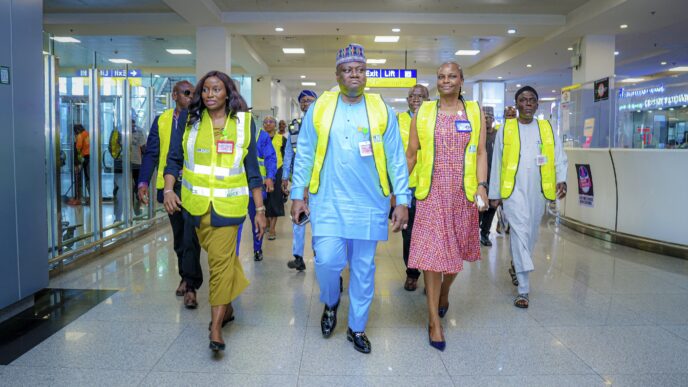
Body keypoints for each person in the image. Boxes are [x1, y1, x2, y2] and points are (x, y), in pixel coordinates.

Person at [290, 43, 410, 354]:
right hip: (327, 200)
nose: (353, 74)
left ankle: (357, 327)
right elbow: (303, 152)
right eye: (347, 69)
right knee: (328, 261)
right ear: (337, 74)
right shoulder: (322, 106)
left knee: (363, 268)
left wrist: (402, 200)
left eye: (359, 69)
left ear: (365, 74)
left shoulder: (380, 108)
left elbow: (397, 157)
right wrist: (296, 194)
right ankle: (330, 302)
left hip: (370, 202)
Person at [163, 71, 267, 352]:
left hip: (229, 207)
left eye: (216, 89)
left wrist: (259, 209)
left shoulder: (245, 123)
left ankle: (216, 327)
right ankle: (228, 308)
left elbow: (252, 171)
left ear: (228, 93)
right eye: (206, 90)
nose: (210, 95)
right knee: (223, 262)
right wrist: (169, 189)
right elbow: (174, 158)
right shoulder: (190, 120)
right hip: (195, 207)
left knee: (220, 264)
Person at [406, 61, 488, 351]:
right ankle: (433, 322)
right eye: (441, 77)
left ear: (462, 80)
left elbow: (480, 153)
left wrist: (481, 185)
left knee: (454, 259)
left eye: (452, 76)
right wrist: (400, 193)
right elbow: (412, 153)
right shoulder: (424, 111)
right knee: (432, 258)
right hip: (431, 194)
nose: (446, 80)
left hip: (462, 194)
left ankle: (444, 293)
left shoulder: (474, 112)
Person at [488, 86, 568, 309]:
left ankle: (517, 265)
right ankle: (523, 289)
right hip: (513, 191)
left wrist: (561, 179)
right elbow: (497, 162)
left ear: (537, 104)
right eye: (523, 100)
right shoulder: (507, 129)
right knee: (520, 233)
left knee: (530, 234)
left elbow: (559, 157)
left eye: (532, 100)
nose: (528, 103)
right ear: (516, 104)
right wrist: (495, 193)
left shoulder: (547, 127)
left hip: (538, 191)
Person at [137, 80, 202, 308]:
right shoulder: (162, 120)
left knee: (189, 236)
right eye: (186, 93)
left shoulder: (198, 120)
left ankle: (191, 285)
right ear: (174, 95)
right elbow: (152, 153)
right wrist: (143, 181)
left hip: (192, 185)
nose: (191, 97)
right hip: (169, 186)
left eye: (194, 94)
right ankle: (185, 275)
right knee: (179, 235)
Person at [396, 84, 429, 291]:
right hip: (406, 185)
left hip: (430, 184)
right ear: (407, 99)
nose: (415, 99)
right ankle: (412, 273)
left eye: (421, 96)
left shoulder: (435, 118)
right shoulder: (398, 120)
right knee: (408, 233)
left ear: (428, 99)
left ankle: (431, 276)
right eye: (412, 96)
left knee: (431, 233)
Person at [283, 90, 317, 271]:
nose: (306, 104)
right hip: (299, 181)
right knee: (298, 218)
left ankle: (319, 255)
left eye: (309, 100)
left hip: (319, 182)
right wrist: (284, 177)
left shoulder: (323, 125)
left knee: (319, 220)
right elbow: (288, 153)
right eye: (302, 101)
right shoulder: (294, 126)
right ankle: (298, 257)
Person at [236, 117, 277, 261]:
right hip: (236, 187)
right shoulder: (231, 133)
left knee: (257, 219)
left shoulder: (261, 136)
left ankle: (257, 249)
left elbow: (270, 158)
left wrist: (270, 177)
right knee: (235, 224)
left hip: (256, 188)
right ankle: (233, 254)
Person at [263, 116, 286, 240]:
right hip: (263, 173)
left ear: (275, 125)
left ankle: (272, 229)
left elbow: (287, 157)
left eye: (270, 122)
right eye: (265, 122)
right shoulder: (260, 139)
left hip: (277, 172)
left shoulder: (281, 139)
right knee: (265, 200)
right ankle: (266, 222)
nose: (268, 124)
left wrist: (285, 178)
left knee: (275, 200)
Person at [479, 106, 497, 247]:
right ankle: (474, 233)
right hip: (480, 179)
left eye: (489, 118)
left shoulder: (498, 135)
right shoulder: (477, 135)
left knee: (492, 208)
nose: (486, 120)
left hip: (495, 178)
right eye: (484, 117)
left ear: (493, 119)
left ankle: (485, 233)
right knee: (479, 206)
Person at [131, 119, 147, 215]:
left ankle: (138, 207)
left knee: (137, 186)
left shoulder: (139, 132)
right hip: (124, 166)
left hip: (137, 164)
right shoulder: (121, 132)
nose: (132, 127)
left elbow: (143, 147)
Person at [74, 124, 90, 200]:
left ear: (77, 130)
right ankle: (91, 196)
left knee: (84, 177)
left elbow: (78, 147)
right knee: (88, 176)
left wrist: (77, 161)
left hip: (84, 157)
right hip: (90, 157)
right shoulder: (87, 133)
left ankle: (79, 197)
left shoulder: (80, 135)